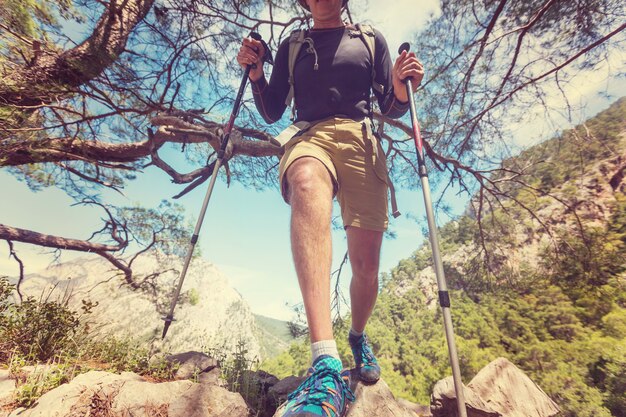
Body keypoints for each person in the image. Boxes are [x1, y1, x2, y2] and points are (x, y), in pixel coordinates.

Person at [237, 0, 423, 415]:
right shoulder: (293, 45)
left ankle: (357, 335)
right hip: (310, 136)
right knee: (304, 179)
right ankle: (325, 362)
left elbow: (389, 106)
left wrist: (399, 86)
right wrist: (256, 74)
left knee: (366, 269)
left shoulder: (370, 39)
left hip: (361, 140)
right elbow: (272, 110)